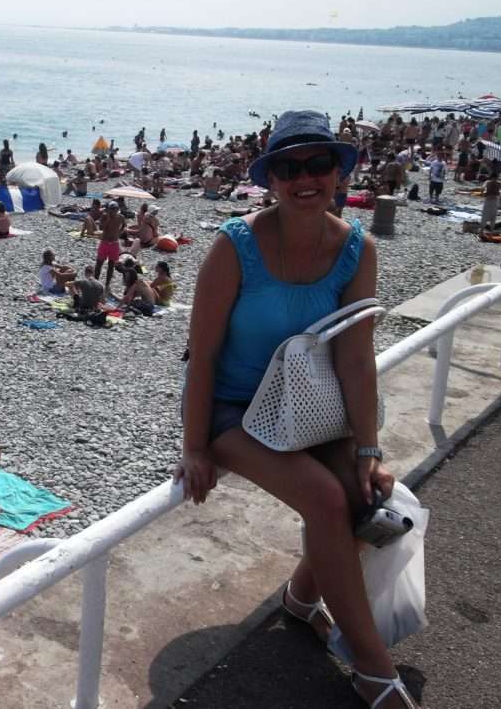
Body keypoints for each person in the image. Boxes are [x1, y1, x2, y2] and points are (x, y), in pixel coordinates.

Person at [177, 110, 414, 709]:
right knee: (327, 499)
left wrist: (366, 449)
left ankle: (302, 600)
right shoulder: (236, 246)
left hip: (310, 405)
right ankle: (370, 665)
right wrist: (195, 447)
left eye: (317, 164)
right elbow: (201, 355)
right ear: (271, 179)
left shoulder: (356, 250)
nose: (304, 178)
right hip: (235, 409)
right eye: (289, 167)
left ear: (338, 172)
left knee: (368, 497)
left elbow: (357, 360)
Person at [95, 201, 126, 294]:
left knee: (111, 265)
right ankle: (95, 281)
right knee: (99, 263)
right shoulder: (104, 216)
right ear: (108, 210)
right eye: (111, 209)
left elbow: (124, 225)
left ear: (117, 210)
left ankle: (107, 284)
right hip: (105, 242)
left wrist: (119, 233)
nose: (113, 211)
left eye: (115, 209)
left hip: (114, 243)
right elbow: (101, 228)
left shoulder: (121, 217)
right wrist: (108, 219)